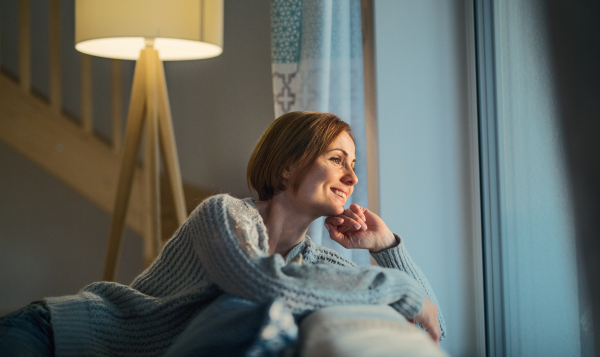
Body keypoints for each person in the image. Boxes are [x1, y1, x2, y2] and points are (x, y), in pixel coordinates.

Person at [0, 111, 446, 356]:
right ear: (288, 164)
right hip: (56, 336)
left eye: (353, 165)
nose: (351, 176)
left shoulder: (313, 263)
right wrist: (400, 289)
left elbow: (430, 325)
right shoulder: (224, 214)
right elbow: (258, 282)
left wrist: (385, 246)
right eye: (336, 159)